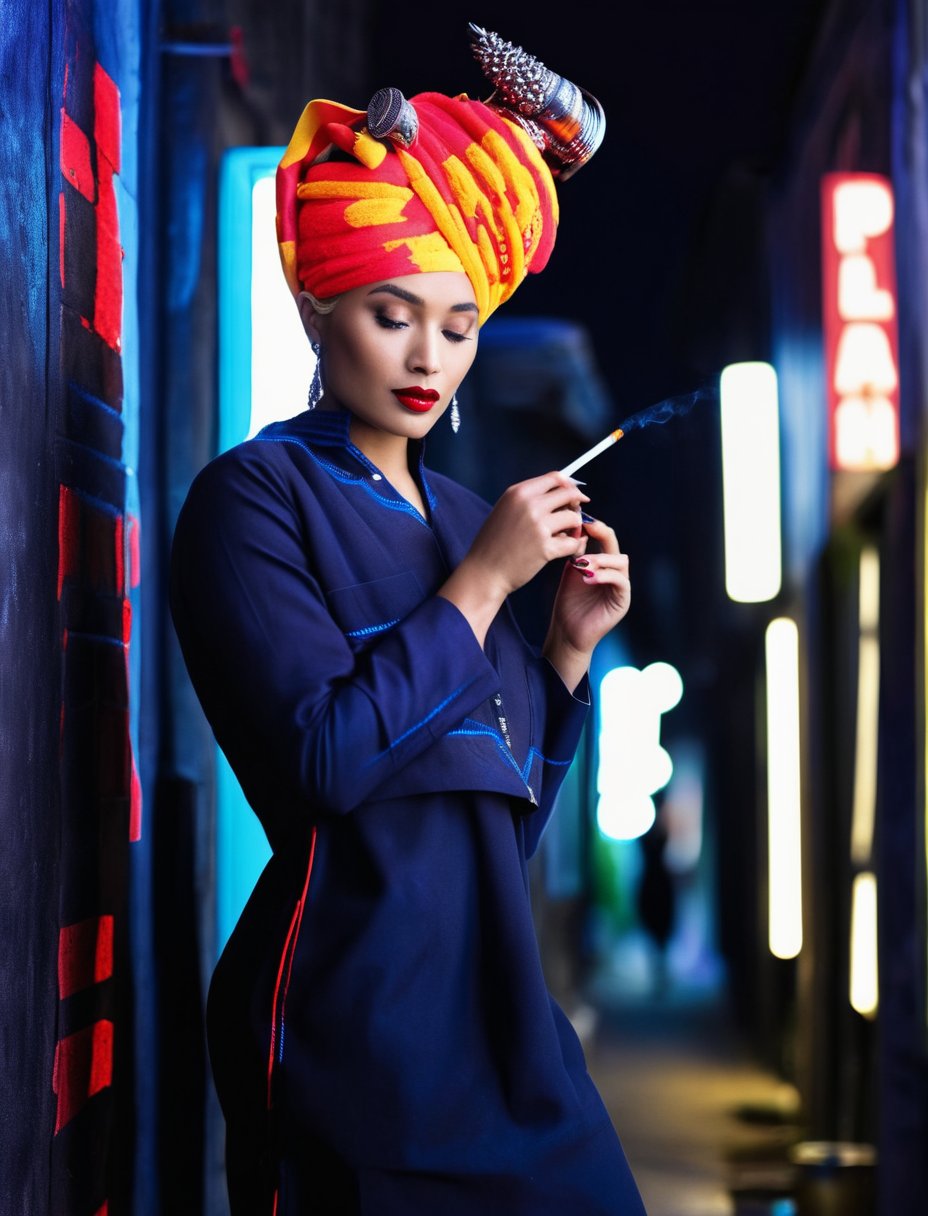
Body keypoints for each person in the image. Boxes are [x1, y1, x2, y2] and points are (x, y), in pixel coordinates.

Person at [170, 26, 644, 1216]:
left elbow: (496, 829)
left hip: (502, 1024)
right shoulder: (253, 498)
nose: (431, 357)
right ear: (321, 305)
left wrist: (567, 658)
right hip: (350, 1029)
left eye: (459, 323)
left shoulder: (463, 513)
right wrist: (482, 582)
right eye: (393, 313)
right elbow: (323, 763)